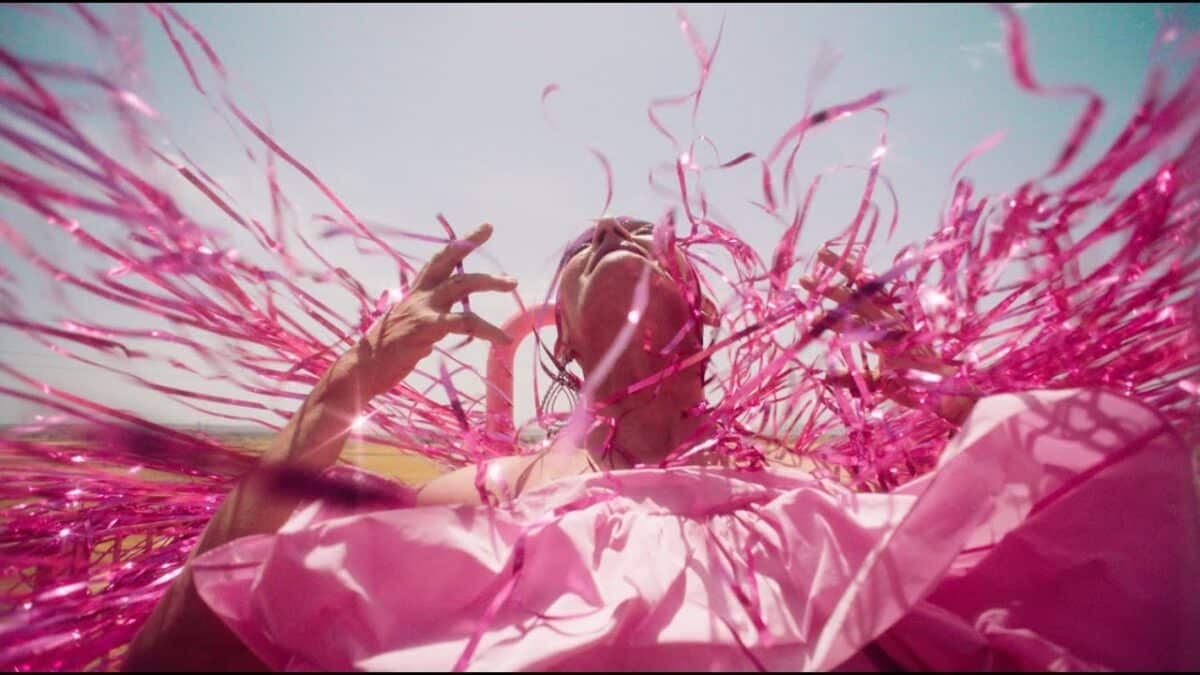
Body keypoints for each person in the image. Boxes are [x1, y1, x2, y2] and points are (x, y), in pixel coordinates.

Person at [123, 218, 1199, 671]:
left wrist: (914, 379)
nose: (615, 232)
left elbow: (1027, 501)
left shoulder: (792, 485)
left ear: (703, 338)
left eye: (645, 236)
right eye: (591, 241)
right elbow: (186, 641)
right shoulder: (485, 495)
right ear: (564, 344)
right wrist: (350, 380)